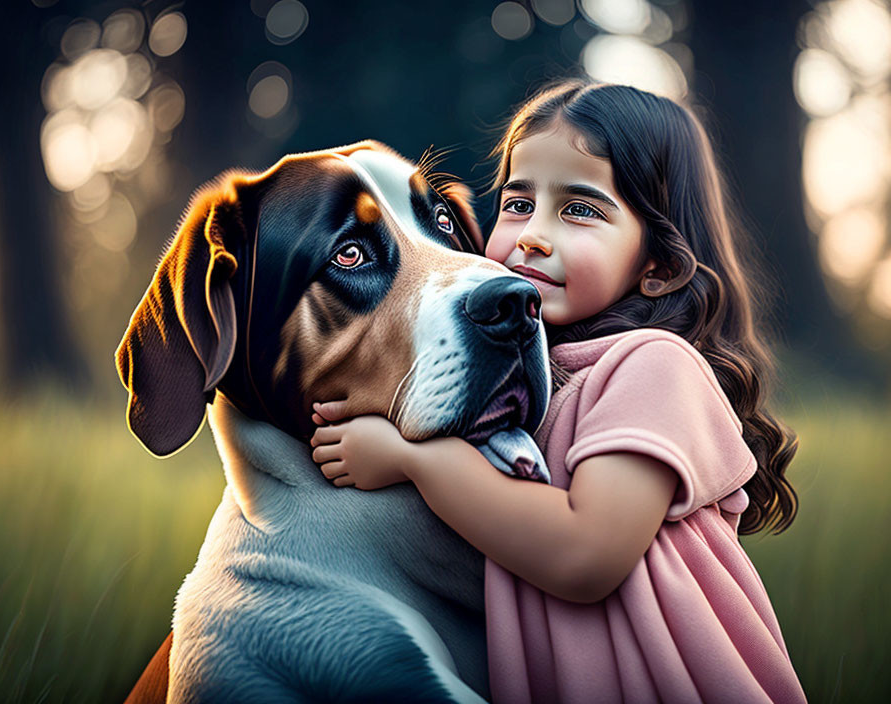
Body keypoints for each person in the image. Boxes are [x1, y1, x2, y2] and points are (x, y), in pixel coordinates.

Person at [309, 79, 807, 703]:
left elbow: (585, 556)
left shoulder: (653, 366)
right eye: (517, 204)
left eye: (580, 210)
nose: (533, 234)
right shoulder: (531, 369)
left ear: (658, 266)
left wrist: (414, 459)